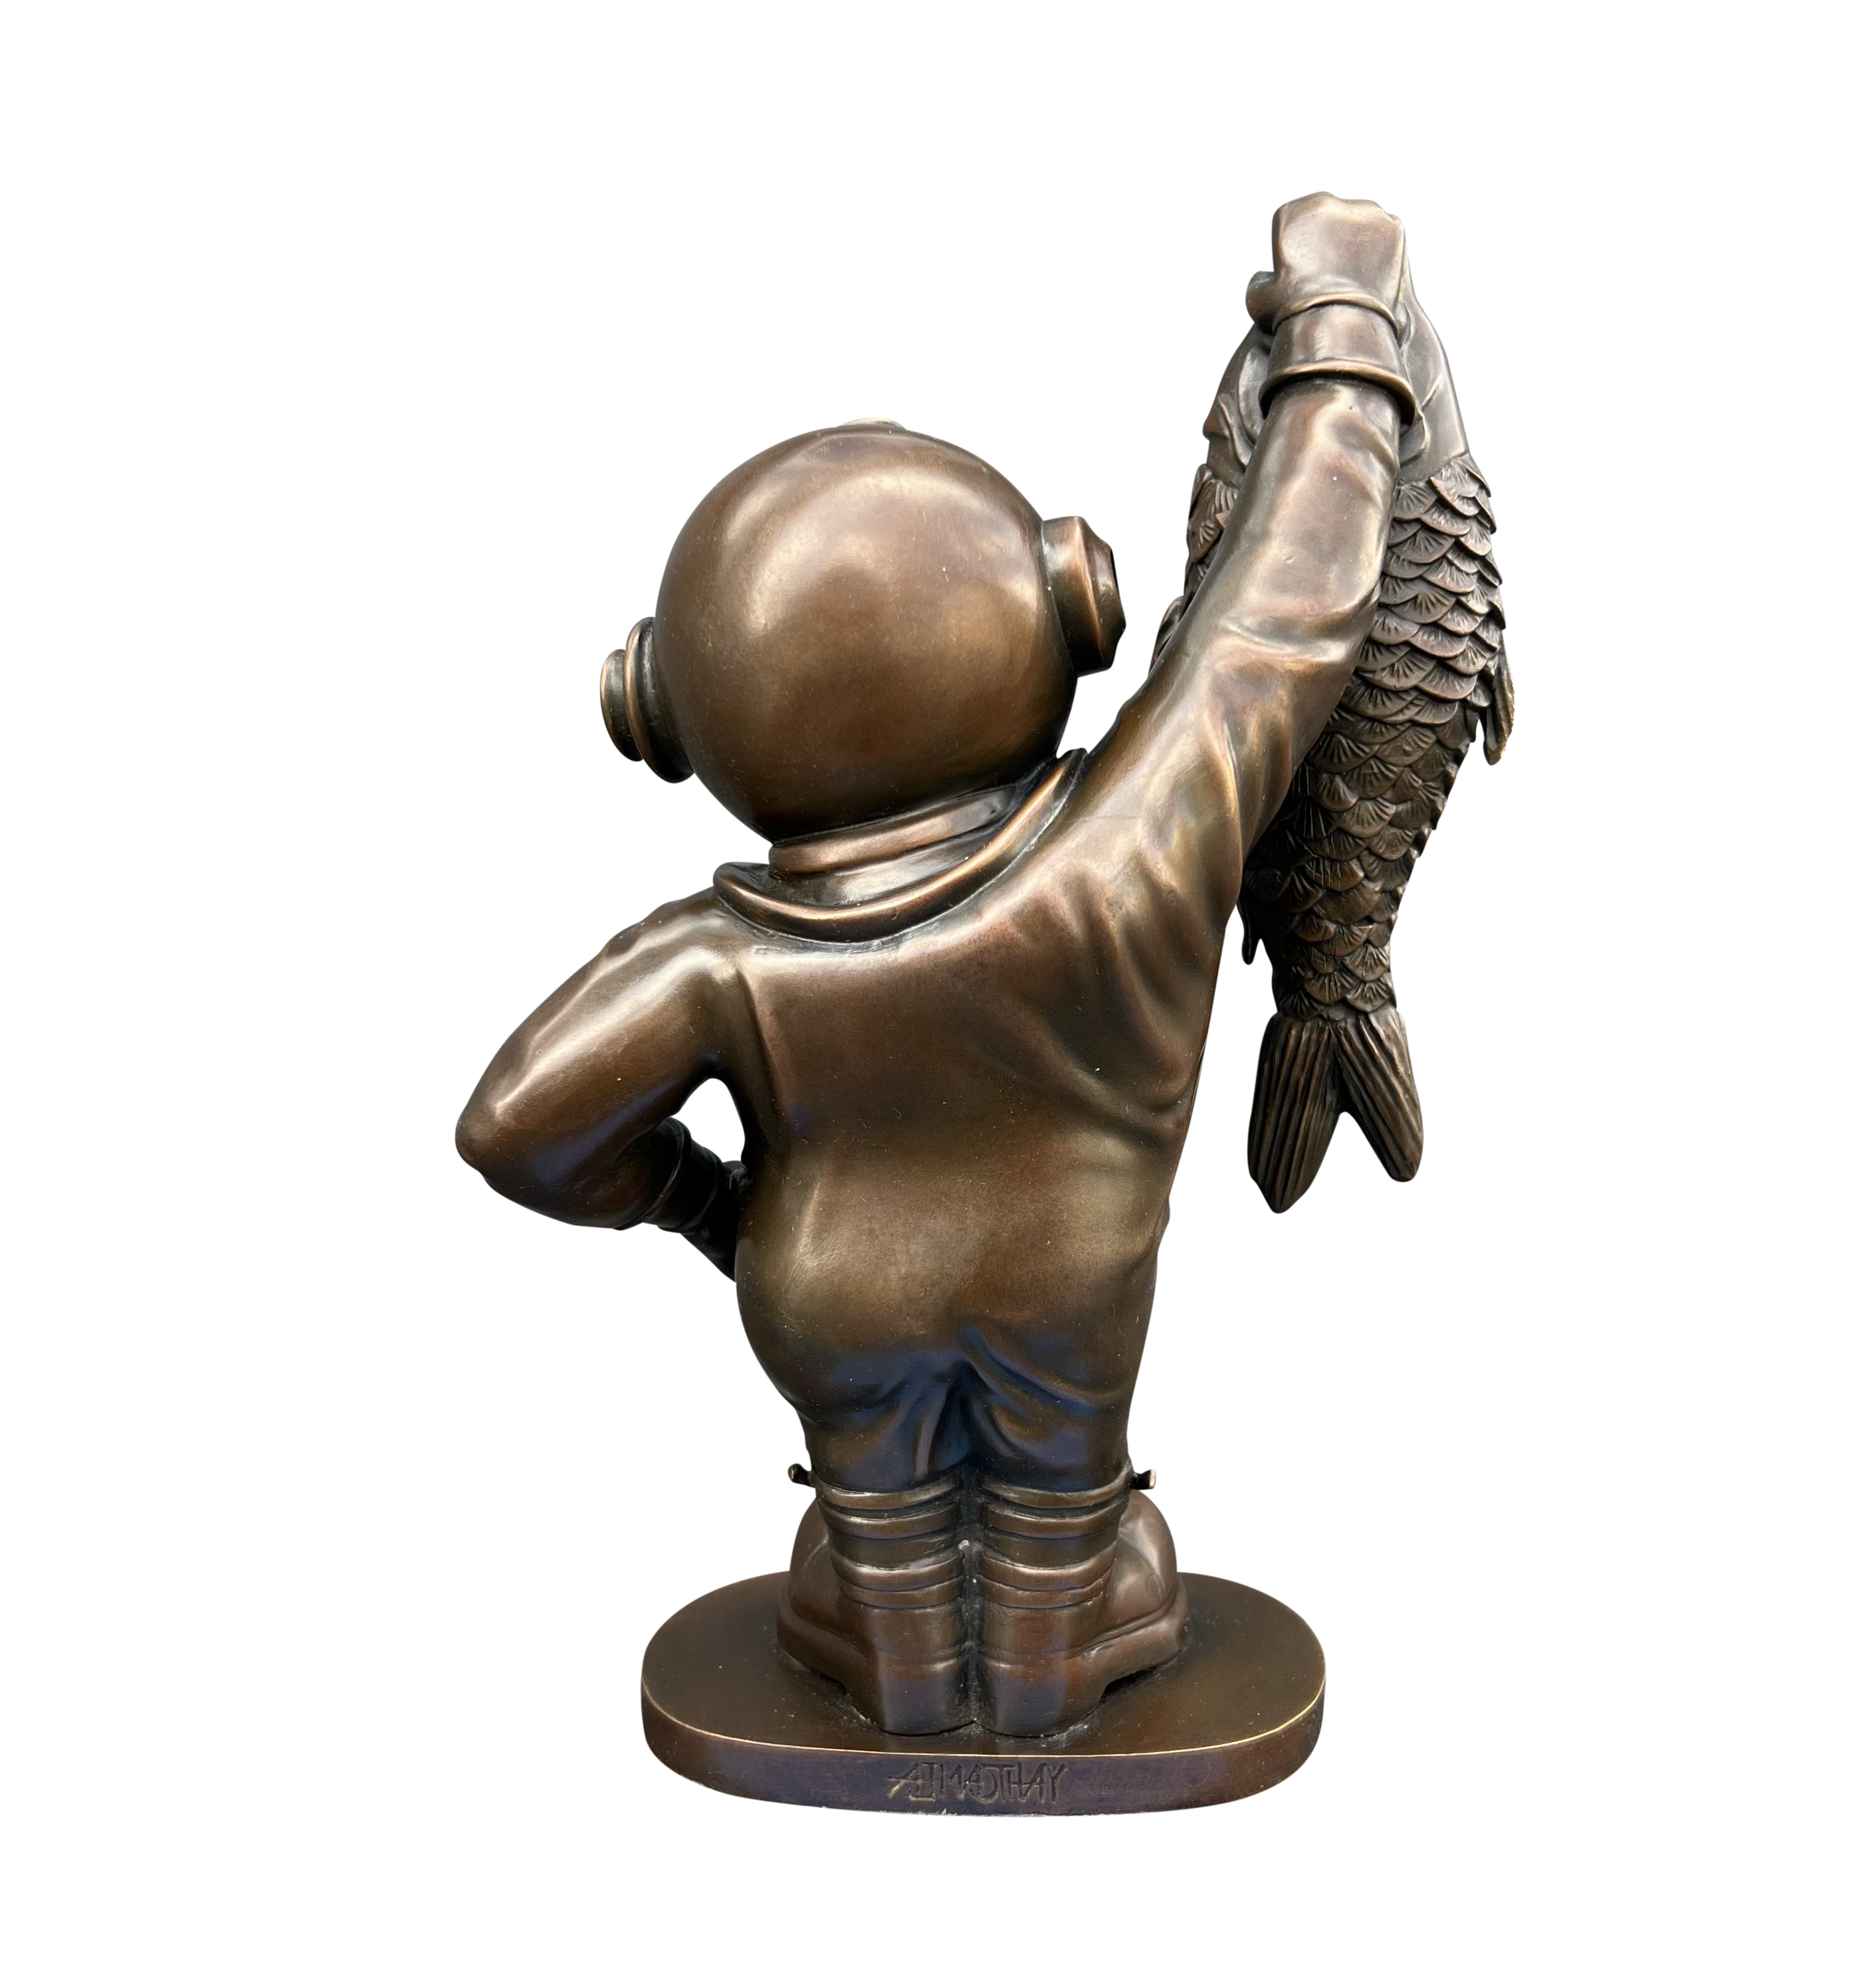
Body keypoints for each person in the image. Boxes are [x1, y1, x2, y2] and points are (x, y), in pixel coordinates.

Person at [458, 196, 1423, 1735]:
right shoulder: (1127, 856)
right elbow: (1279, 625)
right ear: (1059, 605)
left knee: (880, 1526)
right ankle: (1045, 1674)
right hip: (1070, 1281)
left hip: (823, 1296)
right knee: (1063, 1516)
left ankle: (899, 1675)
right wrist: (1344, 344)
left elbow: (515, 1127)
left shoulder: (717, 954)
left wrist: (718, 1209)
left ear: (673, 711)